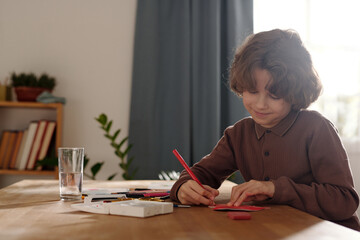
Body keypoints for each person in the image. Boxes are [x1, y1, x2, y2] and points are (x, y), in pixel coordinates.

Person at [170, 29, 360, 231]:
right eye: (252, 91)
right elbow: (200, 174)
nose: (260, 104)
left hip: (330, 233)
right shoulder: (238, 135)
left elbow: (344, 200)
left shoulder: (317, 129)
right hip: (274, 230)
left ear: (295, 93)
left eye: (274, 95)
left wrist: (274, 189)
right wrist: (183, 187)